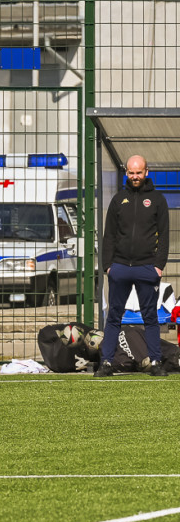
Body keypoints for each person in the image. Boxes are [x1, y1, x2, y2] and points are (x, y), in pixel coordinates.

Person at [95, 154, 170, 377]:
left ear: (146, 172)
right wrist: (108, 266)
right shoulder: (119, 200)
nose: (135, 176)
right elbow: (108, 236)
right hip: (120, 268)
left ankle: (155, 362)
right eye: (131, 172)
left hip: (147, 267)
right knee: (114, 316)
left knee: (151, 318)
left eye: (139, 172)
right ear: (126, 173)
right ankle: (106, 363)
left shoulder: (157, 200)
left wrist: (158, 265)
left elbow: (165, 235)